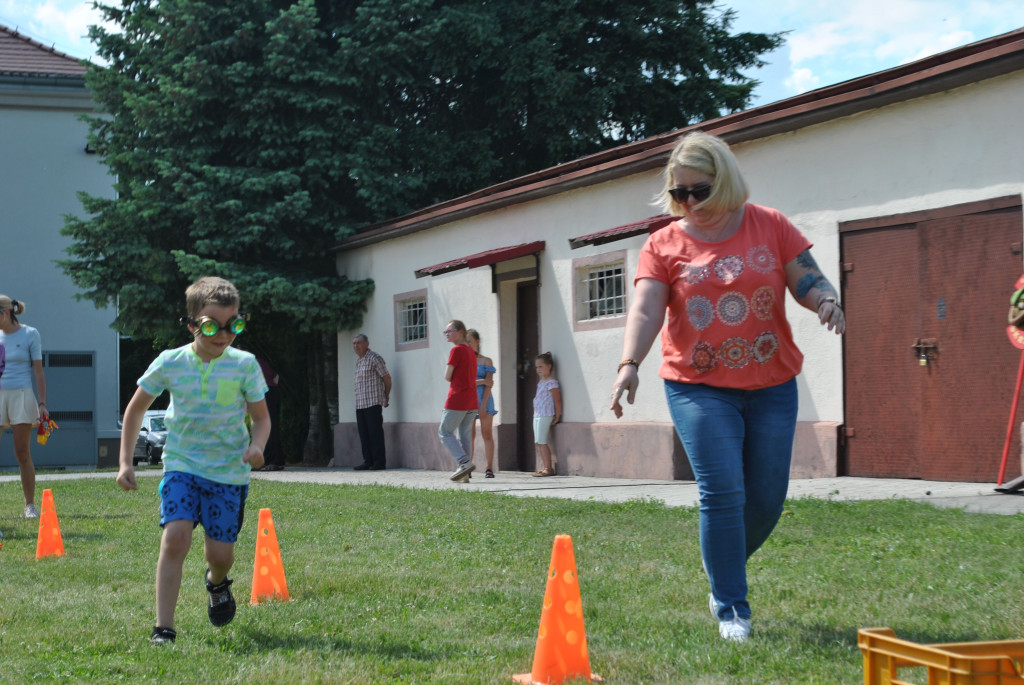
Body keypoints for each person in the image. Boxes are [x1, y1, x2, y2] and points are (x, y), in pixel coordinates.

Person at [610, 131, 845, 643]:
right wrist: (629, 362)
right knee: (722, 493)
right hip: (697, 386)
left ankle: (721, 571)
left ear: (725, 183)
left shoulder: (770, 225)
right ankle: (732, 608)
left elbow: (807, 277)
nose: (689, 202)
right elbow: (648, 308)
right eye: (679, 194)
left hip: (772, 383)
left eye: (700, 190)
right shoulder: (664, 243)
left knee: (765, 500)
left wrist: (825, 298)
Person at [116, 277, 270, 645]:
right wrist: (125, 462)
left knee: (221, 554)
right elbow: (136, 409)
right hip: (182, 465)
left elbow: (262, 417)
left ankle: (217, 583)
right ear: (192, 325)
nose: (224, 334)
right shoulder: (171, 362)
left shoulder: (245, 364)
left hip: (229, 473)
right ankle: (163, 628)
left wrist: (258, 445)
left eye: (234, 324)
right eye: (212, 325)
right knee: (175, 539)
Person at [0, 296, 49, 519]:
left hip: (21, 395)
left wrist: (42, 403)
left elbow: (38, 371)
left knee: (22, 453)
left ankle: (29, 505)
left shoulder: (30, 334)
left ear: (6, 313)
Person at [439, 320, 478, 482]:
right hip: (472, 399)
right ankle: (465, 474)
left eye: (450, 330)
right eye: (446, 331)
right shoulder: (470, 351)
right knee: (465, 436)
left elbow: (448, 376)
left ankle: (464, 463)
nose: (447, 333)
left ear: (461, 332)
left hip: (457, 398)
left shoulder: (456, 350)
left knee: (444, 432)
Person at [352, 334, 391, 470]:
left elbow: (387, 378)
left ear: (367, 344)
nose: (356, 346)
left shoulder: (374, 358)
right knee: (364, 434)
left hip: (373, 402)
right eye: (354, 343)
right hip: (360, 403)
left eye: (359, 343)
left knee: (375, 433)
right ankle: (367, 461)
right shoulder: (359, 361)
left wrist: (386, 396)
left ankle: (379, 462)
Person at [466, 329, 497, 478]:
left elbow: (489, 384)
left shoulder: (486, 361)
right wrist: (482, 381)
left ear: (477, 342)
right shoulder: (464, 361)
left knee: (487, 434)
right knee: (469, 435)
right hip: (468, 401)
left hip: (484, 399)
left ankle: (489, 468)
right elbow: (465, 383)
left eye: (469, 341)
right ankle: (467, 467)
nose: (467, 344)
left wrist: (483, 405)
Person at [532, 352, 561, 477]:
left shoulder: (551, 382)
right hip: (537, 414)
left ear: (549, 366)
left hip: (546, 414)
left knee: (542, 440)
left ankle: (549, 468)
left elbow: (557, 399)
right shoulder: (541, 382)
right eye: (537, 367)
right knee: (538, 441)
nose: (538, 369)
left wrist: (558, 415)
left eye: (541, 366)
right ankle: (544, 467)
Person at [257, 357, 285, 471]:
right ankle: (271, 460)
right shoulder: (259, 361)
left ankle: (273, 461)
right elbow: (276, 377)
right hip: (272, 392)